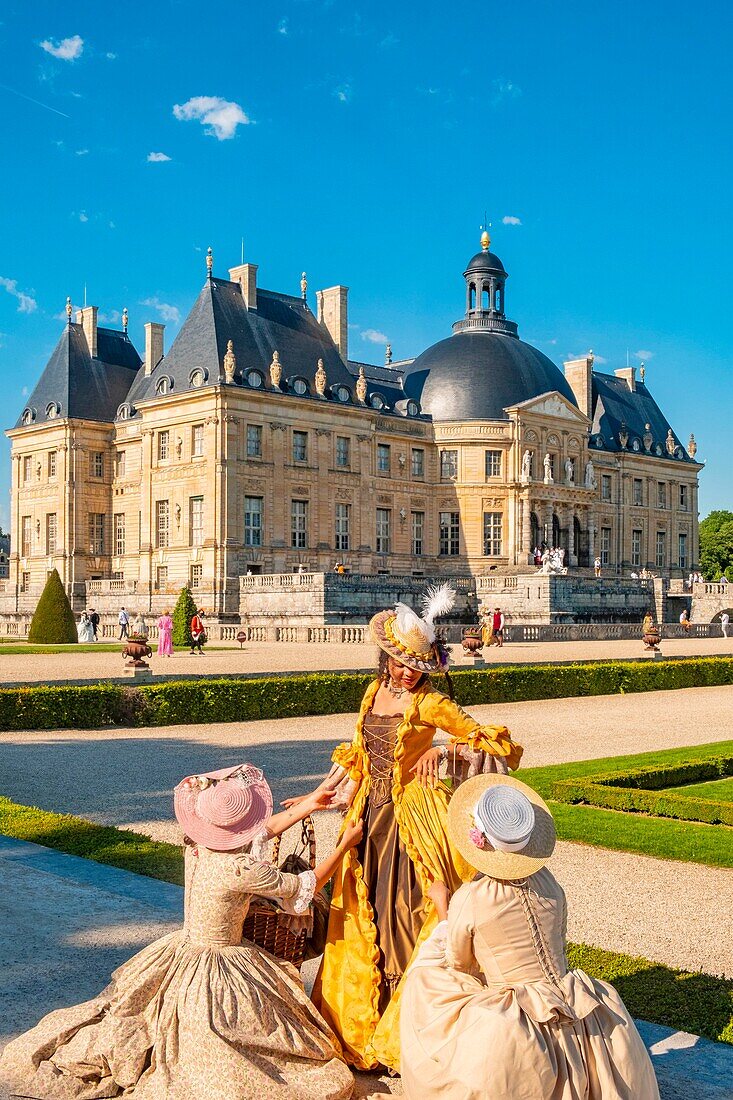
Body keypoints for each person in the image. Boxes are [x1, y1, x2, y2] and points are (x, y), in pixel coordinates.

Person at [0, 764, 359, 1100]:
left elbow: (261, 832)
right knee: (233, 1035)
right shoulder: (242, 869)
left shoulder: (197, 845)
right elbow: (304, 887)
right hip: (222, 960)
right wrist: (343, 846)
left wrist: (312, 801)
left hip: (182, 948)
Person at [289, 584, 523, 1073]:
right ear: (385, 657)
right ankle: (360, 1024)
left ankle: (406, 1027)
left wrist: (444, 750)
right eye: (399, 662)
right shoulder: (374, 691)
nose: (407, 672)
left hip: (411, 817)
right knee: (361, 908)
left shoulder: (431, 704)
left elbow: (499, 745)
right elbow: (356, 751)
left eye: (415, 665)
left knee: (404, 912)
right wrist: (317, 796)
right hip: (366, 819)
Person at [400, 774, 660, 1100]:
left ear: (478, 840)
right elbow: (558, 944)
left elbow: (459, 963)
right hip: (574, 998)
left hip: (516, 1018)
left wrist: (443, 909)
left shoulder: (471, 897)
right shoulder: (552, 885)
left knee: (423, 979)